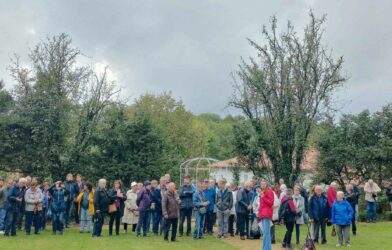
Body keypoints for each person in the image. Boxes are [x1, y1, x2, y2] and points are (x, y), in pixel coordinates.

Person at [258, 180, 274, 250]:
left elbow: (270, 203)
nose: (263, 185)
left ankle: (266, 248)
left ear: (267, 185)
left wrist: (263, 197)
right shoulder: (263, 192)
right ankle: (266, 248)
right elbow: (262, 205)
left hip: (266, 214)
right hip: (262, 214)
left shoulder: (269, 192)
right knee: (265, 233)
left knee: (266, 233)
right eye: (261, 184)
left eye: (264, 184)